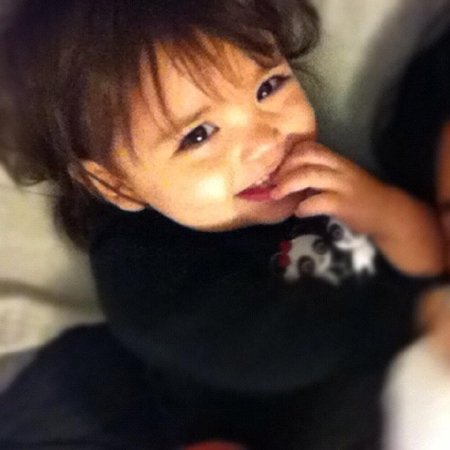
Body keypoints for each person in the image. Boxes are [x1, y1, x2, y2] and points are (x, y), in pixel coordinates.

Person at [0, 0, 445, 448]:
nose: (264, 141)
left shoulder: (317, 173)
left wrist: (384, 209)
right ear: (116, 184)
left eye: (269, 87)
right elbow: (284, 354)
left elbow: (428, 254)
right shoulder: (146, 269)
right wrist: (413, 292)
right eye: (198, 135)